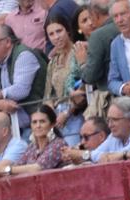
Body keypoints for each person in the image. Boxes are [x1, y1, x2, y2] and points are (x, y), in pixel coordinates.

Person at [40, 11, 86, 140]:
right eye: (51, 34)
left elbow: (84, 86)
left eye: (59, 31)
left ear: (68, 30)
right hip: (57, 116)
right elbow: (47, 95)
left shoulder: (79, 51)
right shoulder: (53, 62)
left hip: (78, 113)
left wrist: (67, 112)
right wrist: (51, 115)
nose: (56, 37)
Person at [10, 100, 67, 170]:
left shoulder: (59, 144)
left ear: (52, 124)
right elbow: (18, 165)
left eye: (42, 121)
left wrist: (8, 170)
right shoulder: (32, 147)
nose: (38, 126)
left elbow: (37, 168)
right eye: (34, 122)